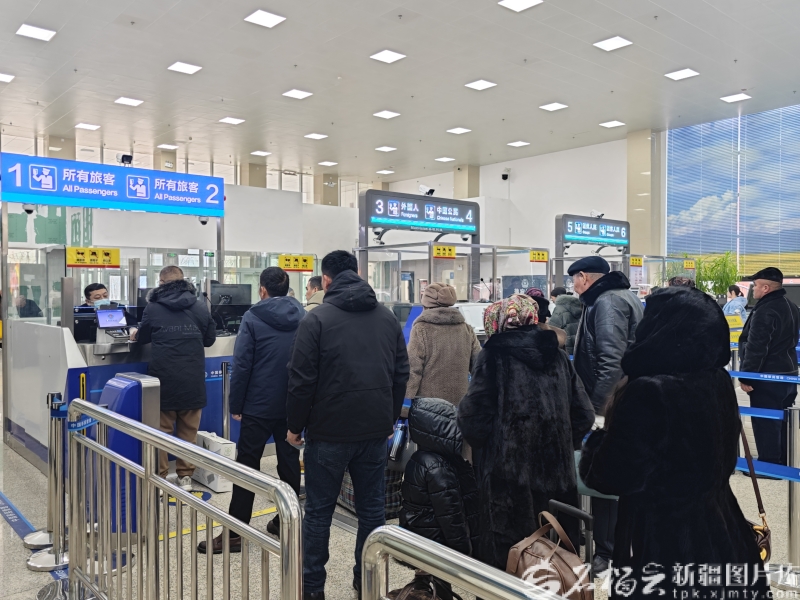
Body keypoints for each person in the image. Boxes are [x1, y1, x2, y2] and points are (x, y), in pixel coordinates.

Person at [580, 287, 769, 599]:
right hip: (721, 523)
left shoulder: (648, 390)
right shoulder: (717, 379)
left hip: (661, 540)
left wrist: (598, 442)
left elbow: (611, 476)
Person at [286, 250, 409, 600]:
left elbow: (301, 380)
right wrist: (388, 418)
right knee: (372, 512)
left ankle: (312, 589)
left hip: (328, 431)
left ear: (325, 280)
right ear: (358, 274)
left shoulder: (316, 320)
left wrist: (295, 426)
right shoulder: (386, 318)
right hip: (374, 431)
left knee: (318, 512)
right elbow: (401, 373)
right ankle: (366, 582)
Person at [457, 294, 595, 570]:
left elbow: (473, 416)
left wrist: (489, 448)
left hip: (507, 480)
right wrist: (561, 443)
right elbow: (584, 414)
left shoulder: (493, 356)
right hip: (558, 477)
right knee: (556, 560)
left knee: (511, 561)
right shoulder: (558, 357)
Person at [198, 267, 304, 554]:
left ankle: (235, 533)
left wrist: (236, 404)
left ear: (262, 289)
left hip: (259, 403)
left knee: (246, 466)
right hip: (292, 402)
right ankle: (288, 524)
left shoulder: (253, 317)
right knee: (289, 463)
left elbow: (243, 363)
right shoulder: (303, 315)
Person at [569, 255, 643, 575]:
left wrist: (598, 411)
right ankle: (614, 544)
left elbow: (611, 361)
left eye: (574, 279)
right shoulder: (620, 296)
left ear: (585, 277)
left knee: (605, 474)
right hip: (625, 398)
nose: (573, 285)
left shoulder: (607, 302)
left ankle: (607, 551)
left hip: (613, 404)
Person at [130, 266, 216, 490]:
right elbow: (209, 340)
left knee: (161, 431)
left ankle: (160, 477)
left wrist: (135, 333)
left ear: (161, 283)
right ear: (184, 281)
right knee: (189, 432)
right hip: (192, 377)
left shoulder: (153, 307)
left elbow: (143, 338)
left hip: (164, 377)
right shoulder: (200, 305)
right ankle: (185, 477)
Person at [400, 397, 479, 593]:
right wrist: (463, 549)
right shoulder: (440, 468)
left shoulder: (420, 458)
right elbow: (450, 515)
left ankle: (421, 587)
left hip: (420, 534)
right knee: (442, 584)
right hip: (438, 542)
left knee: (427, 577)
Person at [739, 267, 800, 465]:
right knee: (783, 419)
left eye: (755, 285)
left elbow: (757, 347)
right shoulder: (791, 306)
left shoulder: (766, 310)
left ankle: (769, 463)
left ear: (766, 288)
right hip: (789, 372)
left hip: (767, 375)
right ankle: (783, 458)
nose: (753, 289)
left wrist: (747, 376)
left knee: (765, 421)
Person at [406, 282, 481, 405]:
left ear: (426, 304)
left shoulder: (421, 329)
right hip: (460, 401)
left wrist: (406, 397)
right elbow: (479, 365)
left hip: (429, 404)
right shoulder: (466, 329)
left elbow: (413, 367)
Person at [548, 286, 582, 356]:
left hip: (565, 347)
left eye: (552, 298)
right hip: (577, 344)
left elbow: (552, 328)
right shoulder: (576, 306)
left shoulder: (559, 309)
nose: (552, 301)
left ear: (557, 296)